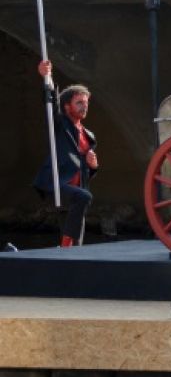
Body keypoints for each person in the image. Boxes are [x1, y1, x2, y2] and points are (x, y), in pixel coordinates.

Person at [32, 61, 96, 248]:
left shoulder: (89, 135)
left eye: (86, 103)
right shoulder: (60, 124)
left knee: (78, 243)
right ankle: (65, 245)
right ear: (67, 107)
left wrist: (93, 165)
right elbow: (51, 103)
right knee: (84, 197)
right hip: (59, 185)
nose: (84, 106)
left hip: (76, 190)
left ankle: (68, 251)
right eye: (79, 103)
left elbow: (86, 169)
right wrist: (47, 77)